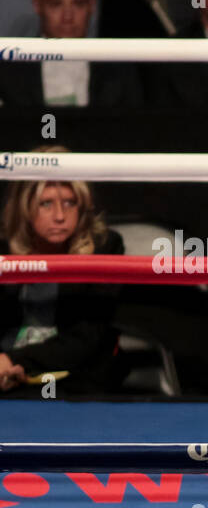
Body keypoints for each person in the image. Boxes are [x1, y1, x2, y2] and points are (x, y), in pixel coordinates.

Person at [0, 156, 124, 395]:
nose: (59, 216)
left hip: (76, 379)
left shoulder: (105, 246)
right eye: (46, 204)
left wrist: (14, 360)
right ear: (24, 208)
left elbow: (89, 334)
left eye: (69, 203)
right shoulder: (3, 249)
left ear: (83, 207)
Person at [0, 0, 143, 108]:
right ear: (38, 6)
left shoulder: (119, 69)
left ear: (92, 5)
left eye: (78, 3)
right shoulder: (8, 71)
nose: (67, 17)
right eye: (56, 4)